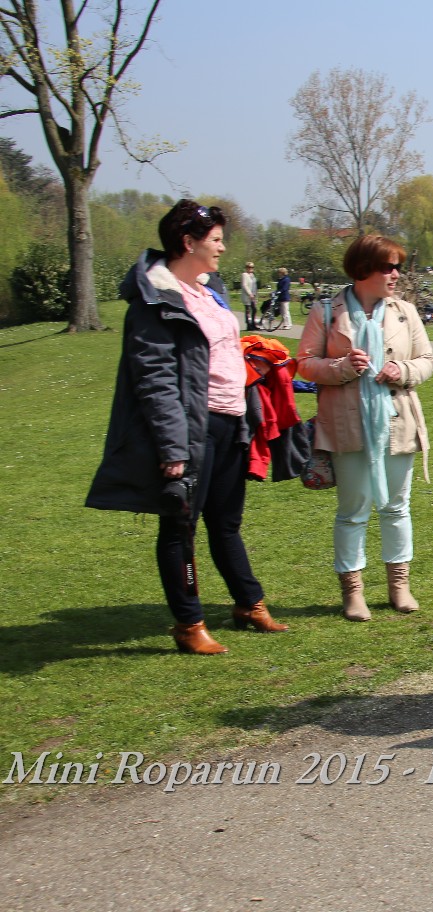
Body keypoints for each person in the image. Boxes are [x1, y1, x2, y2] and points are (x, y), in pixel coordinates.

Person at [86, 199, 287, 655]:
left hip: (231, 422)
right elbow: (155, 380)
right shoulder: (155, 298)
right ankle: (189, 623)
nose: (222, 248)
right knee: (180, 527)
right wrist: (174, 448)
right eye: (216, 240)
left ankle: (249, 604)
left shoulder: (209, 290)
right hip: (191, 431)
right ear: (187, 242)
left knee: (227, 522)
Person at [296, 236, 433, 622]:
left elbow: (427, 360)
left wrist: (402, 370)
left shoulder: (405, 312)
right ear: (362, 270)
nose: (396, 274)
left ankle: (399, 586)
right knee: (353, 511)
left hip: (397, 422)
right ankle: (353, 592)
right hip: (348, 426)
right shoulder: (326, 311)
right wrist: (341, 367)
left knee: (397, 507)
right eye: (388, 267)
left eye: (397, 267)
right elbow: (304, 363)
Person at [240, 262, 258, 330]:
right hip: (247, 295)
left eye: (252, 267)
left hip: (253, 295)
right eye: (249, 267)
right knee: (248, 310)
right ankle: (248, 325)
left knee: (254, 309)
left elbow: (254, 285)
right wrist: (249, 293)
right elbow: (245, 285)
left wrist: (255, 294)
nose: (251, 269)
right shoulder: (244, 275)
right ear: (246, 268)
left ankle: (253, 323)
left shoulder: (252, 275)